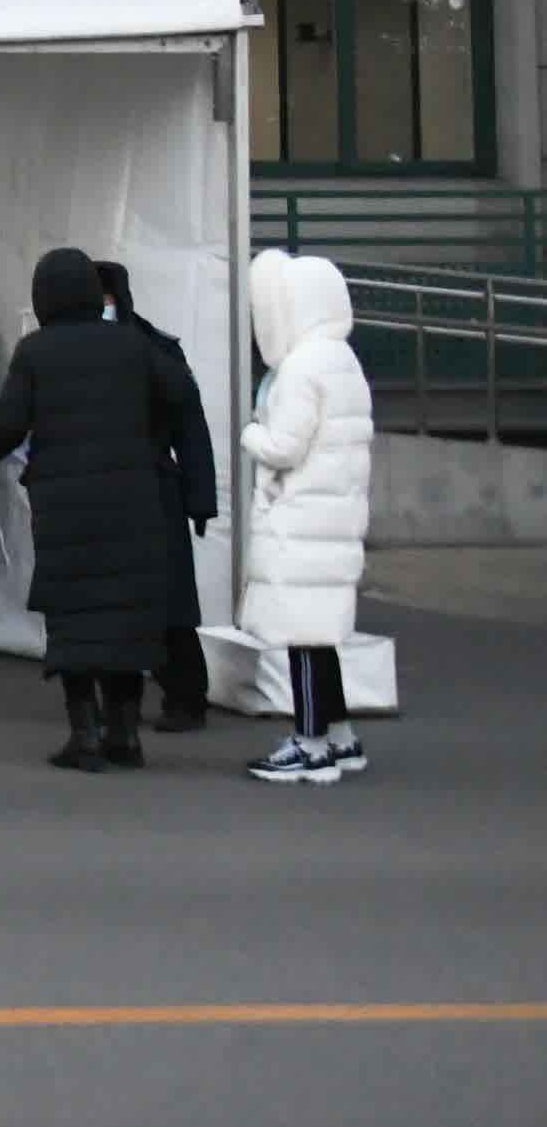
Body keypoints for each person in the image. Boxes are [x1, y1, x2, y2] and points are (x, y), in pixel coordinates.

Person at [0, 247, 200, 771]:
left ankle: (85, 735)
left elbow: (8, 424)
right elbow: (180, 391)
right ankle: (125, 735)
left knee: (75, 620)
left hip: (66, 504)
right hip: (134, 502)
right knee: (127, 620)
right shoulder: (132, 346)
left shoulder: (36, 352)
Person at [240, 250, 376, 785]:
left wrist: (252, 432)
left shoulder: (300, 369)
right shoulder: (342, 360)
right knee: (322, 639)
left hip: (301, 523)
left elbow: (283, 446)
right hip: (334, 522)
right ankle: (340, 736)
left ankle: (310, 742)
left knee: (302, 640)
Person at [95, 258, 221, 728]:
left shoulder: (152, 350)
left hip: (142, 488)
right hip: (145, 489)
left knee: (164, 604)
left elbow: (191, 430)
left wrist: (200, 498)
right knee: (155, 600)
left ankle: (183, 696)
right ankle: (158, 700)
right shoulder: (155, 348)